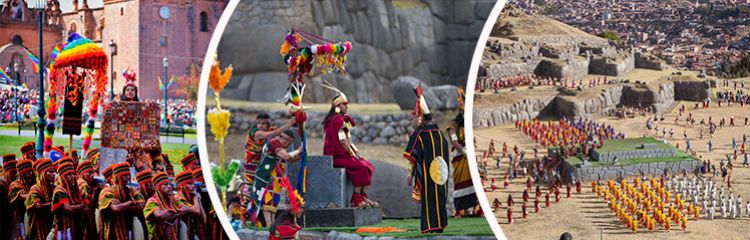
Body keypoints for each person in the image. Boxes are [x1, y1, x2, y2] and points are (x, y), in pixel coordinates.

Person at [404, 85, 449, 233]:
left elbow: (413, 156)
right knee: (439, 196)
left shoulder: (420, 135)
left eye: (416, 116)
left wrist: (410, 174)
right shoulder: (439, 134)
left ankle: (430, 226)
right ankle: (440, 225)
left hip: (428, 174)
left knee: (429, 198)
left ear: (421, 118)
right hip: (440, 173)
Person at [322, 87, 377, 208]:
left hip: (343, 156)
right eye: (344, 104)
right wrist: (352, 154)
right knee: (362, 167)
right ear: (337, 106)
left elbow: (348, 140)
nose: (347, 106)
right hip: (336, 158)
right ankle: (356, 200)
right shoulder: (337, 120)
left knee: (368, 166)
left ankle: (363, 197)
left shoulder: (339, 119)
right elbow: (342, 141)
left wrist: (357, 152)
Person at [242, 113, 295, 226]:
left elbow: (279, 136)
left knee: (263, 194)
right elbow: (273, 134)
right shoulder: (255, 132)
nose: (260, 126)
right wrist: (290, 123)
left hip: (262, 166)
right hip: (251, 165)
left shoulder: (272, 133)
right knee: (248, 192)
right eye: (258, 123)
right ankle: (243, 221)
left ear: (268, 123)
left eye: (263, 123)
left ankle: (261, 221)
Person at [247, 129, 304, 227]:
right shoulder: (274, 143)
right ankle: (269, 224)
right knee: (267, 200)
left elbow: (290, 159)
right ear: (283, 138)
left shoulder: (280, 146)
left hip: (275, 179)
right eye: (287, 142)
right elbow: (286, 156)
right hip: (265, 177)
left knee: (274, 201)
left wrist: (300, 156)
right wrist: (298, 150)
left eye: (290, 143)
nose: (287, 145)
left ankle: (272, 223)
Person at [445, 90, 478, 217]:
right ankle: (460, 210)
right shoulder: (452, 125)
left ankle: (475, 210)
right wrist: (464, 152)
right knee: (460, 184)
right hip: (460, 157)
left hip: (470, 156)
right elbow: (454, 142)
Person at [98, 162, 143, 240]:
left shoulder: (131, 190)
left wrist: (123, 205)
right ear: (117, 177)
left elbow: (142, 205)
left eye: (128, 175)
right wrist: (131, 203)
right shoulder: (107, 191)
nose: (127, 178)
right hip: (112, 232)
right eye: (124, 175)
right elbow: (116, 209)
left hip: (128, 228)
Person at [144, 171, 189, 240]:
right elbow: (160, 215)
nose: (169, 186)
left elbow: (186, 209)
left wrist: (170, 213)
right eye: (165, 185)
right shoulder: (152, 201)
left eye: (169, 184)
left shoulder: (173, 199)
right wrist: (177, 211)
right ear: (158, 188)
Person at [51, 160, 89, 239]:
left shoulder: (78, 189)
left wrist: (79, 207)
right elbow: (69, 208)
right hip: (64, 228)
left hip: (77, 226)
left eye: (73, 174)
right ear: (62, 177)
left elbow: (87, 209)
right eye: (68, 174)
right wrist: (82, 205)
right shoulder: (59, 190)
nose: (72, 176)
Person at [25, 158, 55, 240]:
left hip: (50, 222)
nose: (54, 174)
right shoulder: (35, 188)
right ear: (43, 174)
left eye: (54, 171)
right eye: (51, 172)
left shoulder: (53, 187)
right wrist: (55, 203)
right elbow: (38, 206)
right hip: (38, 225)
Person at [174, 170, 207, 239]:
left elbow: (204, 220)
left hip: (192, 234)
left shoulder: (191, 198)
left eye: (193, 183)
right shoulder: (177, 198)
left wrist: (198, 200)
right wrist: (196, 197)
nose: (193, 186)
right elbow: (196, 210)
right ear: (182, 186)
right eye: (189, 184)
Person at [9, 159, 34, 239]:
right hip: (18, 218)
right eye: (28, 172)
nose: (30, 174)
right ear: (22, 173)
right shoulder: (15, 184)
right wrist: (35, 195)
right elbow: (22, 196)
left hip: (28, 217)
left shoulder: (31, 183)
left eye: (31, 171)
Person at [77, 160, 99, 240]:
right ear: (82, 173)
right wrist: (95, 191)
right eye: (89, 173)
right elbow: (88, 202)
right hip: (84, 216)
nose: (92, 175)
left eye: (92, 173)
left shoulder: (80, 182)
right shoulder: (83, 184)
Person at [0, 154, 17, 240]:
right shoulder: (1, 186)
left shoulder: (14, 184)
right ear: (5, 172)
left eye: (16, 172)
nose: (15, 175)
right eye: (12, 172)